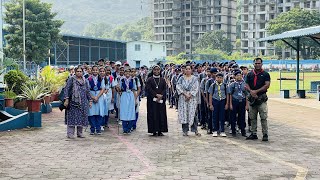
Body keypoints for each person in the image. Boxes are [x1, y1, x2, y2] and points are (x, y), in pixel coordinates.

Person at [245, 58, 271, 141]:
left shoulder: (266, 74)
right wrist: (251, 92)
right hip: (252, 98)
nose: (257, 65)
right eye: (256, 63)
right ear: (253, 64)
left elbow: (267, 85)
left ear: (262, 64)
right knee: (252, 117)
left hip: (261, 98)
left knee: (263, 117)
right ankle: (253, 133)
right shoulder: (249, 74)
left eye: (259, 63)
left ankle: (265, 134)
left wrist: (256, 91)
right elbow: (246, 84)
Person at [64, 66, 92, 139]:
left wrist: (90, 100)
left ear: (83, 72)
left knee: (81, 117)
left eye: (80, 71)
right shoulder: (71, 79)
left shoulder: (85, 80)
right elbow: (66, 89)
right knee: (72, 117)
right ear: (75, 72)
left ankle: (80, 133)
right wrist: (66, 99)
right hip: (73, 102)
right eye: (78, 71)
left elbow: (88, 91)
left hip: (83, 102)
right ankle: (70, 133)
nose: (79, 73)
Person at [176, 65, 201, 137]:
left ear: (191, 70)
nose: (187, 70)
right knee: (184, 115)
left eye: (189, 69)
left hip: (192, 99)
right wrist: (185, 94)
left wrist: (189, 95)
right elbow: (178, 86)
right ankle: (185, 131)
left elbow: (196, 88)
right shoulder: (181, 78)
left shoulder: (194, 79)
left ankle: (195, 130)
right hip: (183, 98)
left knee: (193, 114)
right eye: (186, 69)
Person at [146, 65, 168, 136]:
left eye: (158, 70)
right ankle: (153, 130)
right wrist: (156, 95)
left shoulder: (163, 80)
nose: (156, 71)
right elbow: (148, 89)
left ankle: (160, 131)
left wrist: (161, 95)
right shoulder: (149, 79)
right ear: (153, 70)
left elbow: (165, 89)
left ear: (160, 71)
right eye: (155, 70)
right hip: (152, 101)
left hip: (161, 100)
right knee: (153, 114)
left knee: (161, 114)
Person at [228, 70, 248, 137]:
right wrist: (230, 104)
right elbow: (230, 94)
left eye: (240, 75)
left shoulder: (244, 84)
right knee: (233, 117)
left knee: (242, 116)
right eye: (237, 75)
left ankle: (243, 130)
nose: (239, 77)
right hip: (234, 101)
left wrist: (247, 104)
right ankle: (233, 130)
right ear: (234, 77)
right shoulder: (232, 85)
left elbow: (246, 94)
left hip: (242, 101)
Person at [209, 73, 229, 137]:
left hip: (222, 101)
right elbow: (210, 94)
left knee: (222, 116)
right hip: (215, 101)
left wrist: (227, 104)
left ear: (223, 78)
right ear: (216, 78)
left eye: (221, 77)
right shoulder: (213, 85)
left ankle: (222, 130)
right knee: (215, 116)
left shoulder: (225, 85)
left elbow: (227, 95)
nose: (219, 79)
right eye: (218, 77)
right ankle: (215, 130)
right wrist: (210, 104)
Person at [118, 67, 138, 134]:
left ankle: (129, 128)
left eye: (128, 72)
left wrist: (135, 99)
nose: (127, 73)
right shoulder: (122, 80)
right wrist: (118, 89)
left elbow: (134, 89)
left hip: (131, 95)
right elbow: (119, 89)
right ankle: (124, 128)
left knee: (130, 111)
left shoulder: (133, 80)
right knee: (124, 111)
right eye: (126, 72)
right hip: (124, 95)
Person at [87, 66, 106, 135]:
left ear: (98, 71)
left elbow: (103, 88)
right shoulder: (88, 79)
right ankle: (92, 128)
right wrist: (92, 97)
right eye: (93, 70)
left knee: (99, 112)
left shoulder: (101, 79)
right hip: (91, 96)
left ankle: (98, 129)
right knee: (91, 113)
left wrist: (97, 97)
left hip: (99, 96)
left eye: (96, 70)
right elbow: (87, 90)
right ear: (91, 71)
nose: (95, 71)